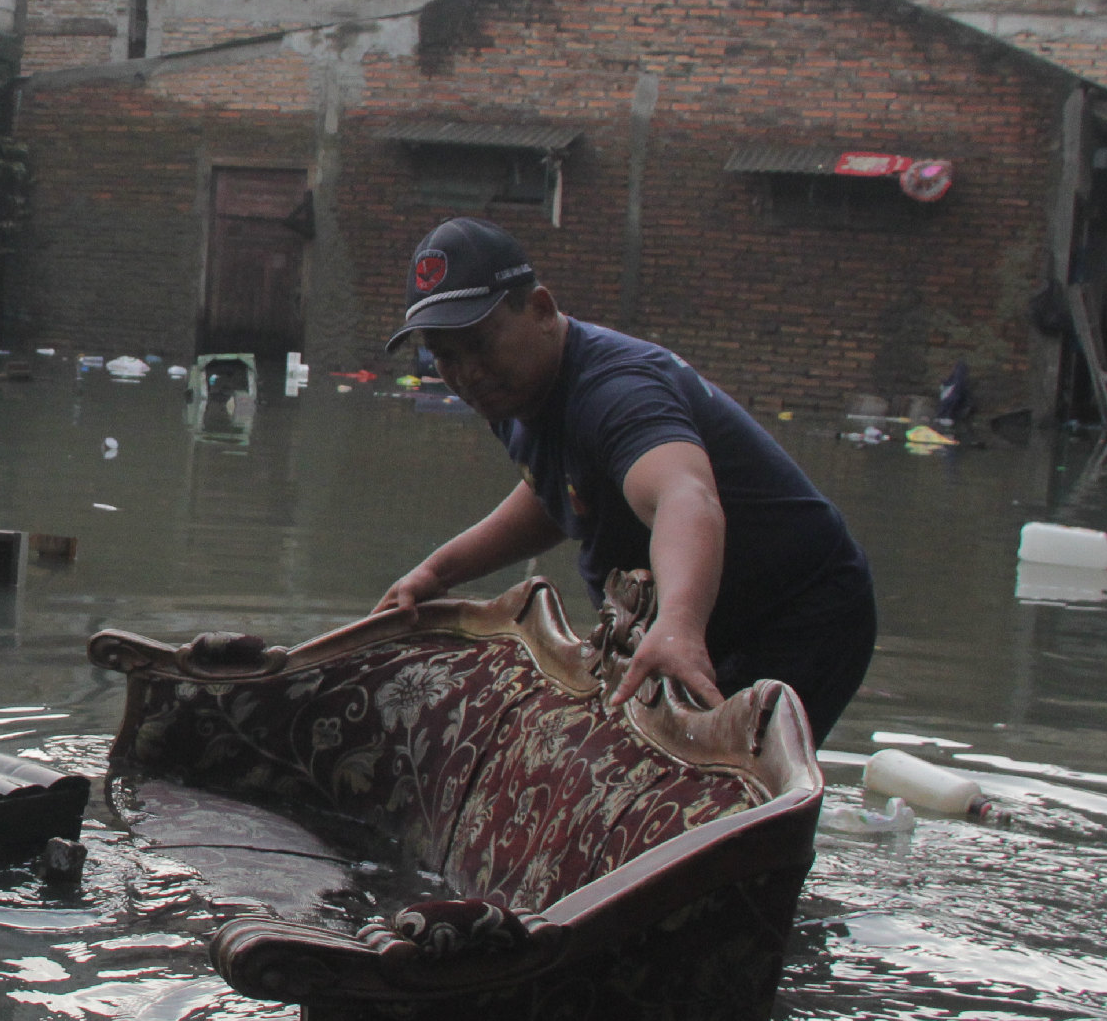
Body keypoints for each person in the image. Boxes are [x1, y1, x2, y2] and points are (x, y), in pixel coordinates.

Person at [369, 217, 878, 738]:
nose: (466, 372)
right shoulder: (514, 391)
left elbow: (683, 496)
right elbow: (556, 494)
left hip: (796, 615)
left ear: (542, 310)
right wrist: (436, 573)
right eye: (445, 354)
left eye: (479, 342)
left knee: (718, 794)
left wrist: (678, 625)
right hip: (692, 622)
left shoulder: (617, 393)